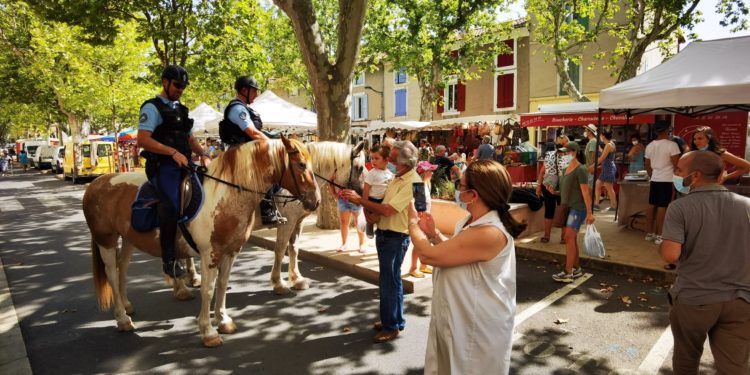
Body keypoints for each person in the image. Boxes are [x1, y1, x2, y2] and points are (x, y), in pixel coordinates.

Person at [408, 159, 527, 374]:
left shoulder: (490, 232)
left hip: (476, 329)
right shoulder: (470, 221)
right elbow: (456, 253)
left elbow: (428, 256)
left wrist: (412, 223)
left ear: (474, 195)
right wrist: (434, 233)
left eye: (460, 186)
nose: (457, 190)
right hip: (457, 320)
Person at [660, 151, 750, 375]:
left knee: (686, 358)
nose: (676, 174)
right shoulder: (747, 205)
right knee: (734, 366)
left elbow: (670, 255)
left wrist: (661, 245)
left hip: (694, 299)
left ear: (695, 175)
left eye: (679, 170)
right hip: (741, 301)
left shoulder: (680, 207)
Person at [341, 141, 421, 343]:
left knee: (388, 283)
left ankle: (391, 326)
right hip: (387, 234)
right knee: (392, 281)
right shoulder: (398, 176)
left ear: (403, 161)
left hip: (395, 237)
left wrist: (360, 201)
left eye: (392, 157)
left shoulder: (412, 181)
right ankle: (394, 320)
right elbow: (384, 205)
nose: (389, 160)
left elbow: (388, 210)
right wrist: (371, 213)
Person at [136, 65, 210, 279]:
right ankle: (169, 259)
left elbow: (190, 139)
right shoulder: (152, 108)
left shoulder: (181, 109)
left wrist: (204, 153)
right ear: (165, 82)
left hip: (184, 163)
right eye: (177, 85)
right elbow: (143, 139)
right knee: (171, 203)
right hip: (162, 166)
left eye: (184, 86)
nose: (181, 89)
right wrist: (172, 152)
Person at [218, 76, 285, 225]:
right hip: (241, 152)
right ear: (244, 90)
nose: (256, 94)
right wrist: (275, 146)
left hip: (248, 151)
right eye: (254, 91)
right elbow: (253, 133)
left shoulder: (246, 108)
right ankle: (266, 212)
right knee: (266, 172)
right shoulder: (237, 109)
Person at [553, 141, 595, 283]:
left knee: (568, 238)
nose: (564, 154)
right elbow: (567, 189)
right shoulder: (565, 169)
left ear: (575, 152)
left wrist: (589, 213)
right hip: (568, 208)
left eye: (567, 151)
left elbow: (585, 192)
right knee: (571, 238)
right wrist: (555, 191)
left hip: (578, 208)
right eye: (563, 152)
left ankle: (568, 271)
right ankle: (576, 268)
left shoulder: (581, 169)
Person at [644, 121, 680, 246]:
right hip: (667, 180)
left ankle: (649, 233)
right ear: (667, 130)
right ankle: (660, 235)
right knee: (662, 207)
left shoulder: (649, 146)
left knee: (651, 205)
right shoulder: (672, 145)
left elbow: (647, 165)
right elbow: (677, 165)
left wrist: (652, 175)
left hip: (655, 178)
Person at [408, 160, 437, 278]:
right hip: (420, 219)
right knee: (419, 244)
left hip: (425, 217)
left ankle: (423, 265)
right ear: (424, 172)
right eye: (430, 170)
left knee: (425, 242)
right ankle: (413, 267)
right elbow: (419, 206)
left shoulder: (426, 184)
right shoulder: (419, 185)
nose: (432, 173)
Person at [535, 142, 564, 244]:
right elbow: (542, 171)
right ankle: (548, 235)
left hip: (560, 187)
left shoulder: (570, 158)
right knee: (550, 210)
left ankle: (562, 237)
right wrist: (538, 186)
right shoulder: (550, 156)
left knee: (562, 210)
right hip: (548, 186)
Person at [363, 144, 393, 241]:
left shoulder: (390, 174)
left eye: (376, 158)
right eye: (372, 158)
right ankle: (369, 225)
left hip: (384, 201)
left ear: (386, 160)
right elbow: (366, 189)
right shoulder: (372, 173)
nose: (373, 161)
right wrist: (365, 205)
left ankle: (379, 230)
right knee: (372, 218)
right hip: (373, 200)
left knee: (381, 219)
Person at [330, 177, 366, 254]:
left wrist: (362, 199)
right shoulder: (339, 169)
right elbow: (331, 180)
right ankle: (344, 244)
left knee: (359, 222)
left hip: (356, 200)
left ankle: (362, 244)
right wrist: (334, 193)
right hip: (342, 200)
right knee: (343, 223)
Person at [594, 129, 618, 212]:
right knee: (598, 184)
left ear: (603, 136)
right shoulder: (610, 144)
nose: (600, 136)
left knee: (609, 187)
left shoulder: (608, 145)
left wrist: (594, 165)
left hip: (608, 168)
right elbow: (606, 154)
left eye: (601, 135)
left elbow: (602, 157)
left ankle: (614, 206)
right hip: (607, 167)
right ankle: (596, 204)